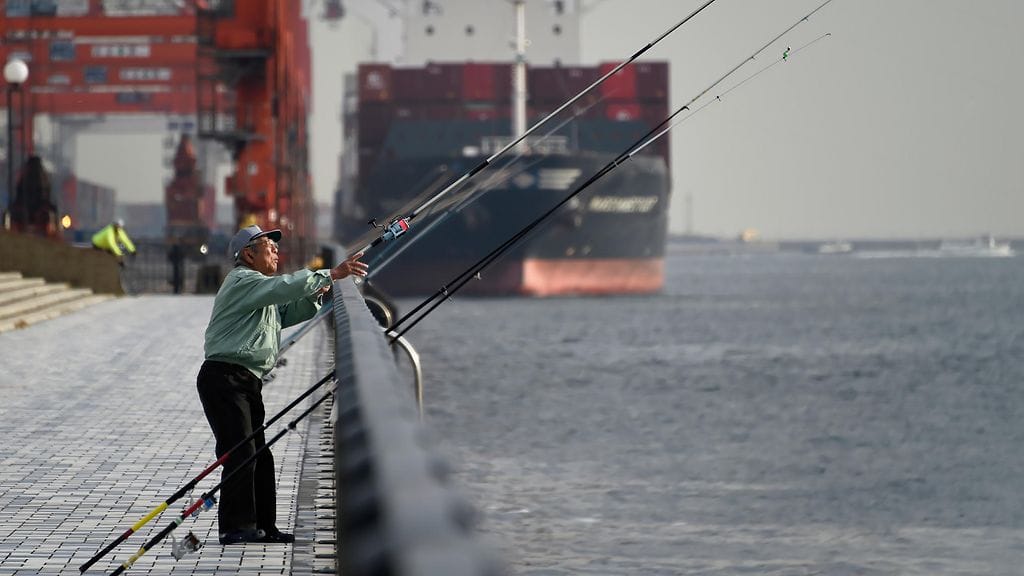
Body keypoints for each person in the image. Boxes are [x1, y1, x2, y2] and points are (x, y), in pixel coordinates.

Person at [197, 224, 368, 545]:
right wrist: (329, 274)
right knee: (240, 451)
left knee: (260, 454)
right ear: (248, 254)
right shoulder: (243, 280)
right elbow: (284, 287)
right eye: (268, 246)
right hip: (223, 378)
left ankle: (263, 526)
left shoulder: (259, 291)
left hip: (245, 380)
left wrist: (319, 294)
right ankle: (234, 527)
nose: (276, 250)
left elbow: (286, 311)